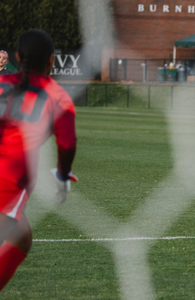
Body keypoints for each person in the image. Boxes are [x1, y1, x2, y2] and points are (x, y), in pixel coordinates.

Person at [0, 29, 77, 292]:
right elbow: (67, 143)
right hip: (6, 186)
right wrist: (62, 176)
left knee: (21, 238)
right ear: (51, 61)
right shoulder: (57, 96)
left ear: (17, 56)